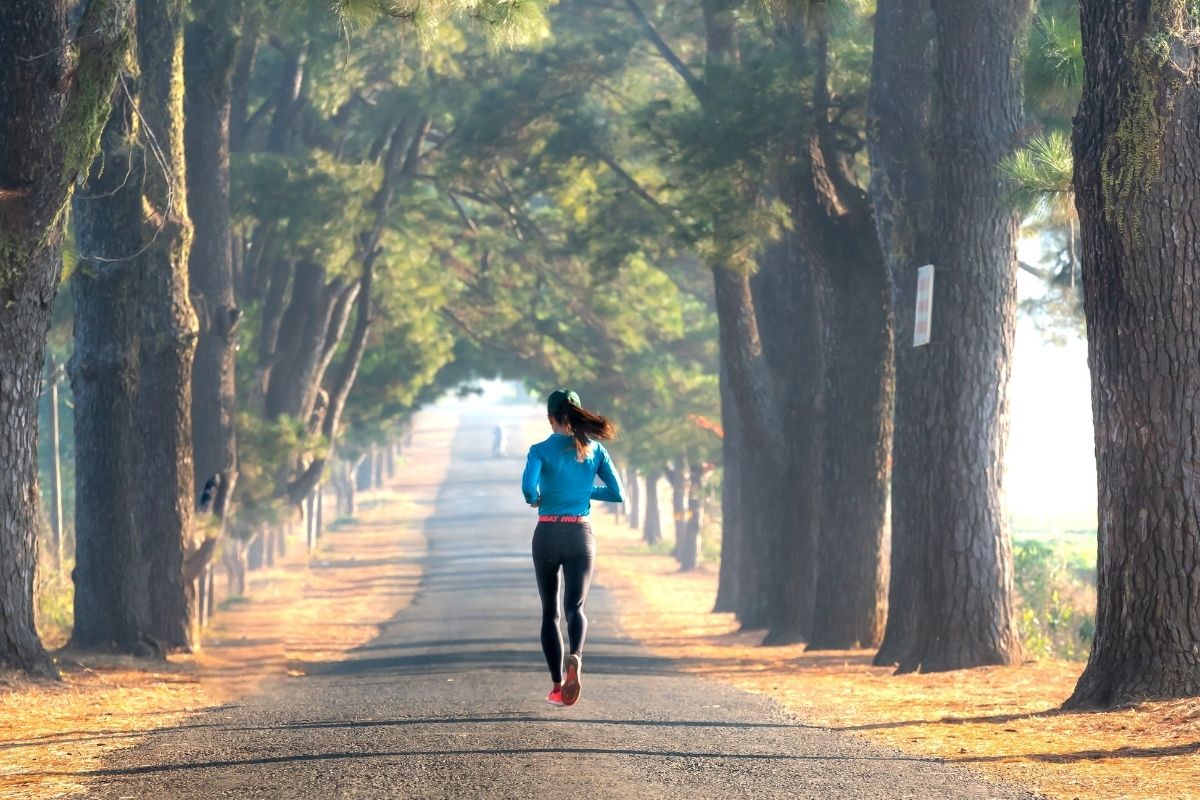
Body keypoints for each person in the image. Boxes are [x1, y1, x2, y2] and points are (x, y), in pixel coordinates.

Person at [522, 388, 623, 707]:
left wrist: (538, 498)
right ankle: (575, 657)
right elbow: (616, 493)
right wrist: (582, 490)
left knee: (549, 613)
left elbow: (528, 489)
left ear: (551, 418)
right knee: (575, 608)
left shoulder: (539, 450)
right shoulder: (596, 450)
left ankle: (556, 686)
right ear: (577, 414)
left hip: (547, 532)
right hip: (580, 534)